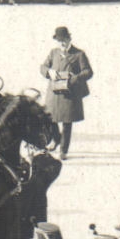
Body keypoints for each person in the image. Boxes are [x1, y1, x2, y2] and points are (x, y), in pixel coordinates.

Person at [39, 25, 92, 157]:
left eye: (64, 40)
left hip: (70, 94)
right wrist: (49, 72)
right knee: (50, 119)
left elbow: (88, 72)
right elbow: (43, 67)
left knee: (67, 123)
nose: (61, 43)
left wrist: (75, 78)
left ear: (69, 39)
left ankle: (63, 150)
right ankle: (56, 139)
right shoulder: (53, 53)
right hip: (54, 93)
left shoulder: (79, 54)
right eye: (59, 40)